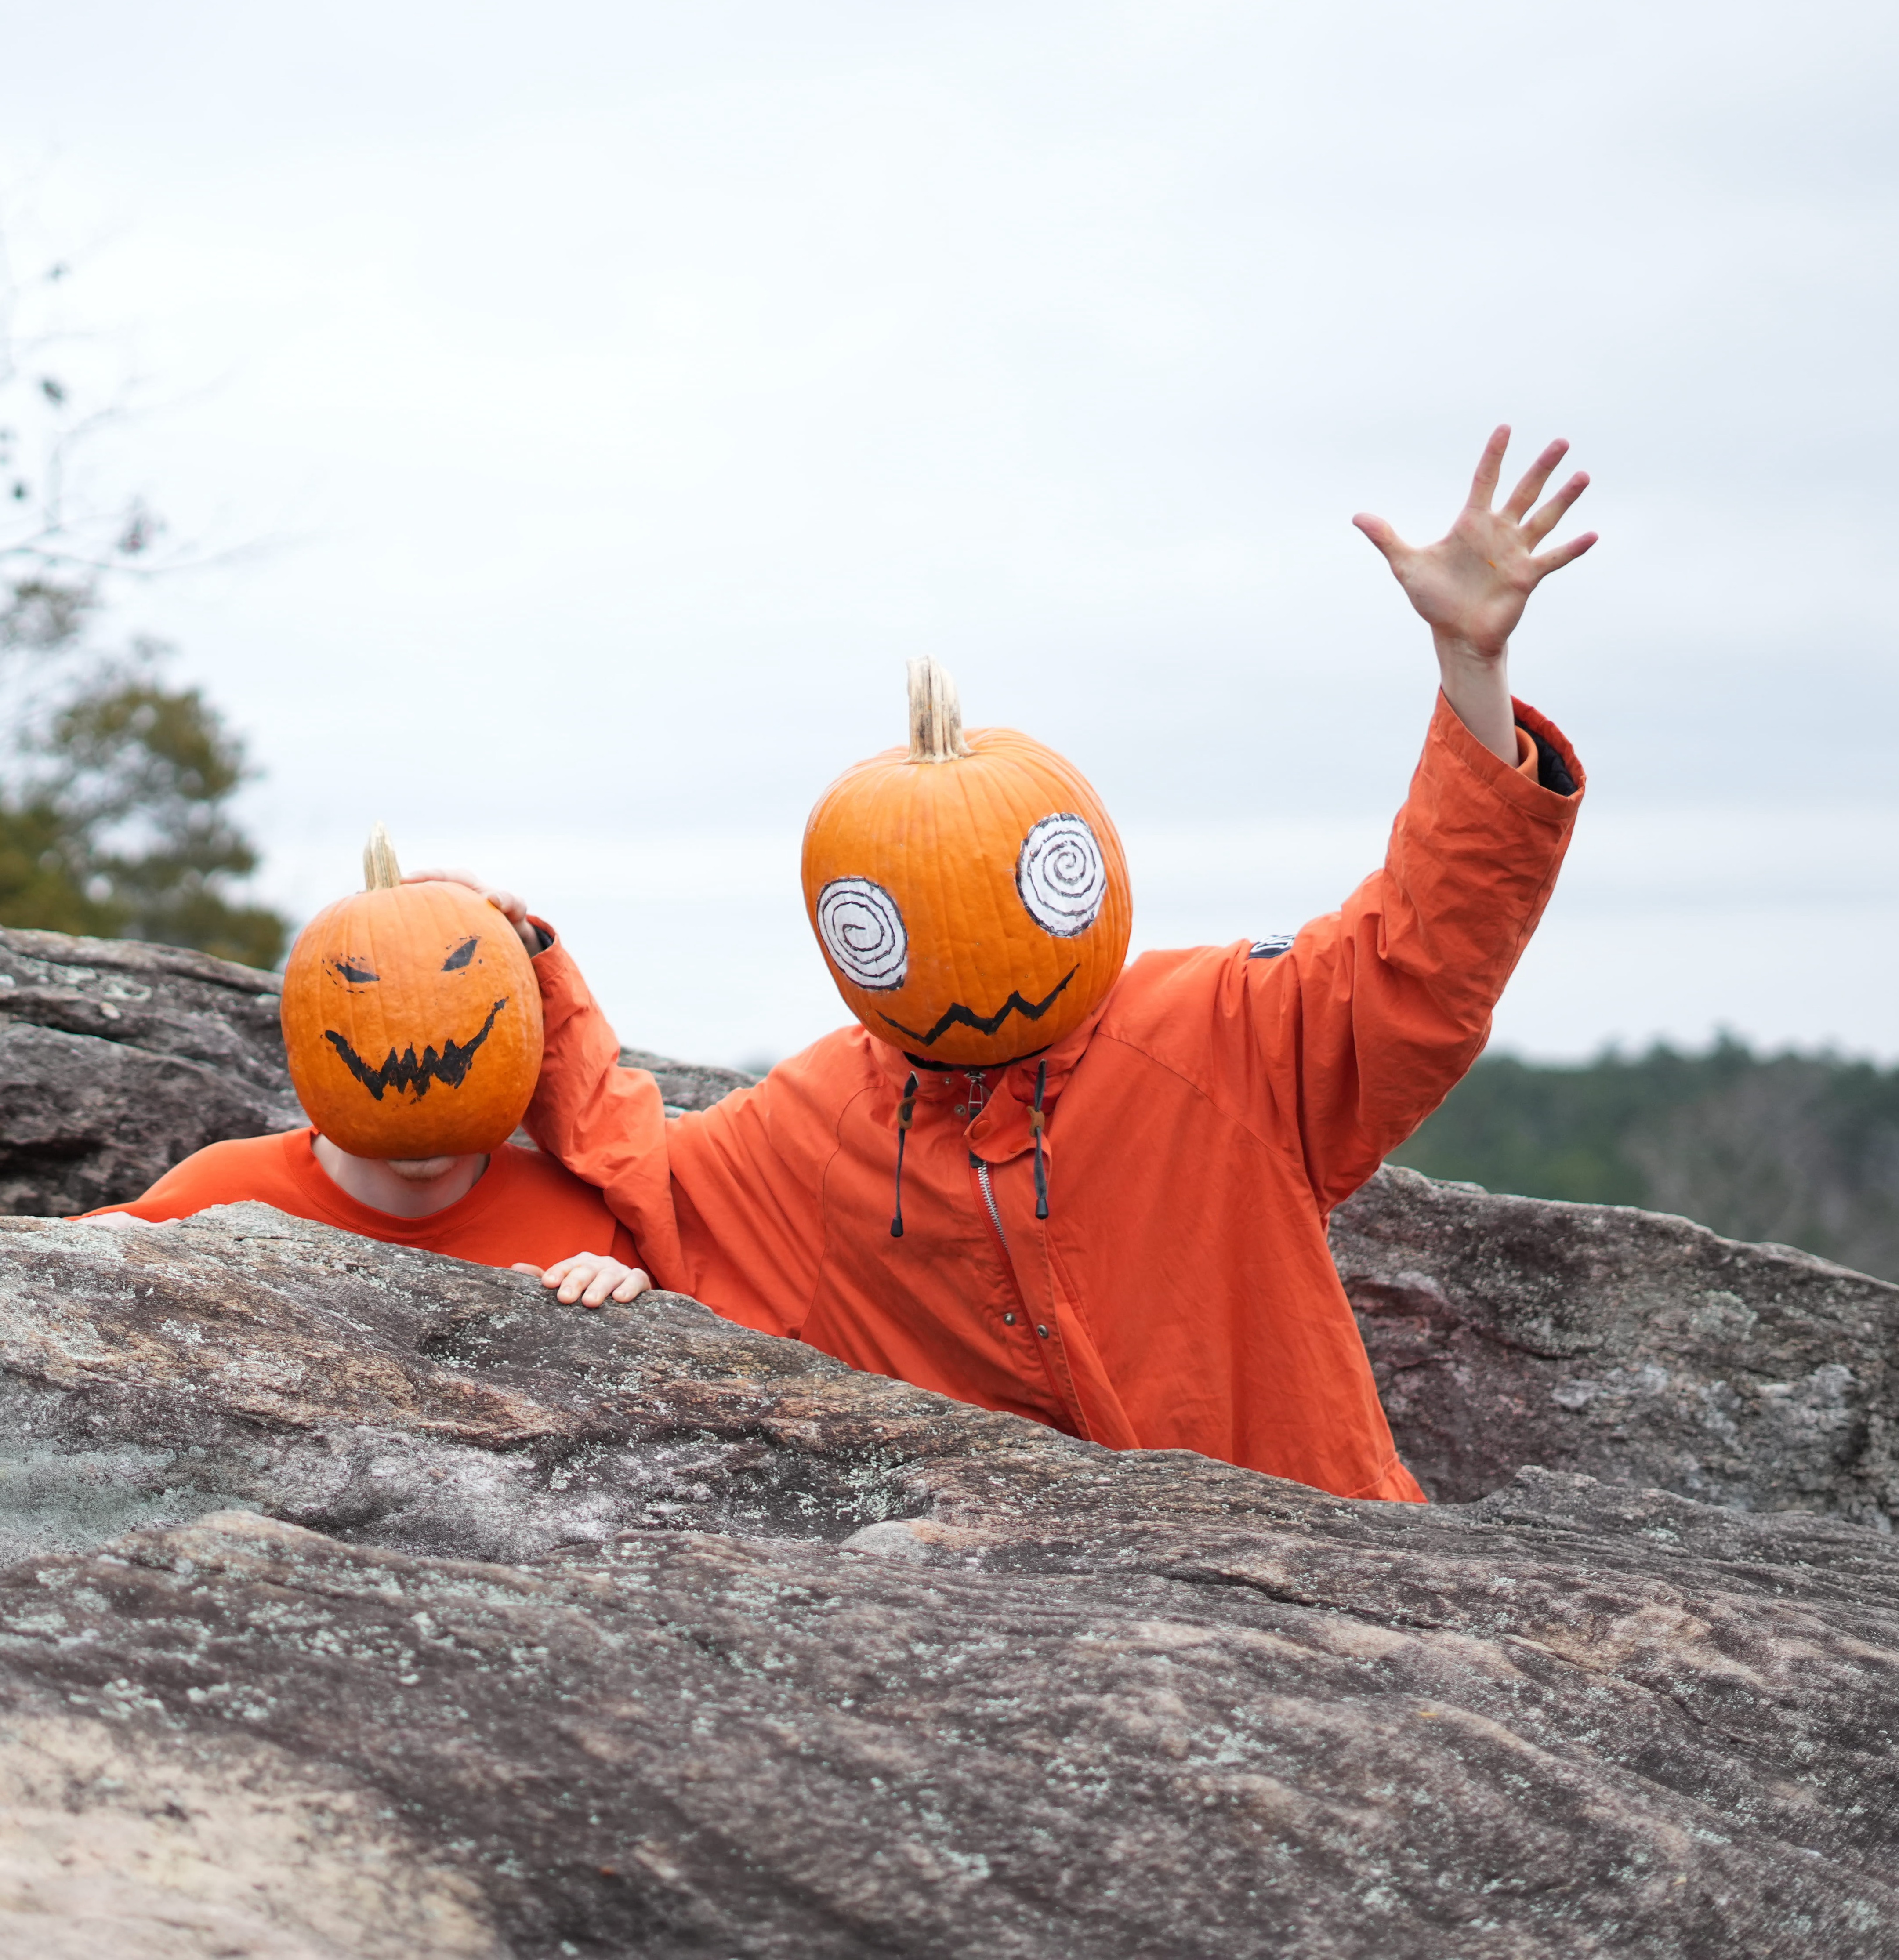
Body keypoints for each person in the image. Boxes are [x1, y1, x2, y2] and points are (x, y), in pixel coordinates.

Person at [432, 426, 1594, 1500]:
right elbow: (641, 1172)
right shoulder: (819, 1125)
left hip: (1333, 1581)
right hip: (1040, 1628)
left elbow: (1422, 955)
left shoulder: (1220, 1032)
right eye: (898, 917)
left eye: (1030, 885)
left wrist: (1466, 668)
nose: (975, 953)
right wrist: (517, 975)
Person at [80, 828, 651, 1309]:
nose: (412, 1033)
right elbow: (56, 1279)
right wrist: (99, 1247)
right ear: (301, 1036)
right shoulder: (219, 1189)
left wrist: (640, 1296)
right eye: (359, 989)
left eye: (456, 981)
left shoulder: (587, 1230)